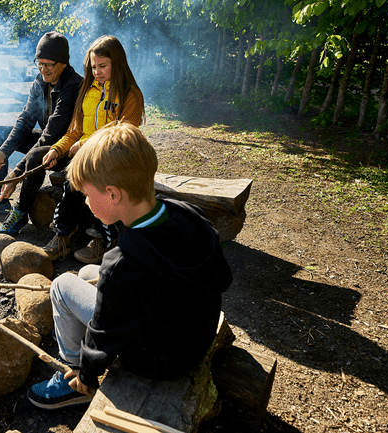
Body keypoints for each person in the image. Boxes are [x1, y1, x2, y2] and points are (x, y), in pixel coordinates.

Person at [26, 122, 233, 410]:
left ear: (113, 194)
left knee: (62, 286)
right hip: (194, 334)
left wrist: (88, 371)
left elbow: (105, 331)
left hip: (157, 360)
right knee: (87, 273)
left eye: (87, 194)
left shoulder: (122, 264)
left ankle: (73, 376)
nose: (85, 203)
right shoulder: (188, 214)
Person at [39, 35, 144, 262]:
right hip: (88, 157)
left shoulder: (130, 94)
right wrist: (57, 150)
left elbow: (122, 133)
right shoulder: (88, 91)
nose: (97, 72)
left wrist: (86, 145)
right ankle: (63, 235)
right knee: (73, 178)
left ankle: (103, 240)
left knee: (98, 182)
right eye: (93, 66)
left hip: (120, 158)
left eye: (103, 66)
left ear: (118, 64)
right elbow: (74, 131)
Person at [0, 32, 82, 230]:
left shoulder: (73, 85)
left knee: (36, 154)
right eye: (39, 63)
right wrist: (2, 152)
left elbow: (52, 133)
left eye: (49, 64)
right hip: (47, 142)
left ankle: (21, 212)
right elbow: (26, 120)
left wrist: (17, 171)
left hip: (67, 150)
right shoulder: (40, 81)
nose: (43, 69)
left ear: (63, 63)